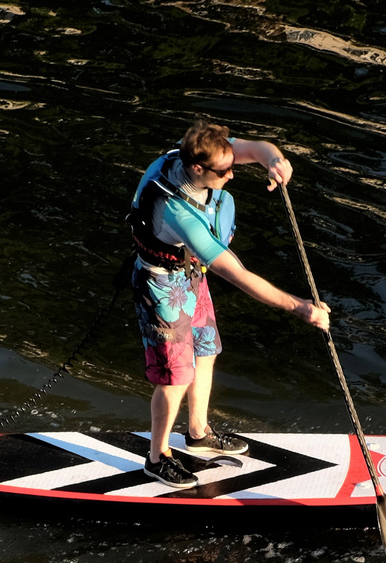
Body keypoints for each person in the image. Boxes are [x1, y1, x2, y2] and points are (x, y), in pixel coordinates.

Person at [129, 120, 332, 488]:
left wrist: (275, 160)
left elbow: (258, 148)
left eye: (232, 164)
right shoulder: (179, 212)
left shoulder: (203, 150)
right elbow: (238, 274)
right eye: (226, 171)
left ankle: (198, 432)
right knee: (176, 377)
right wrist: (300, 307)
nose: (233, 174)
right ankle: (157, 457)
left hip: (190, 272)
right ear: (197, 169)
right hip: (161, 285)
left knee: (206, 350)